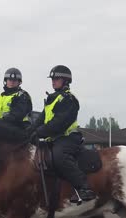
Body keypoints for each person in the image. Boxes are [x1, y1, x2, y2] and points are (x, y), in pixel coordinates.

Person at [29, 65, 96, 201]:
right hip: (53, 139)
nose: (53, 81)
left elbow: (59, 123)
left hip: (68, 138)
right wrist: (28, 132)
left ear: (65, 81)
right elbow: (41, 120)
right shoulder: (51, 99)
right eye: (52, 79)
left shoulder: (69, 99)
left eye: (56, 79)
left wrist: (39, 132)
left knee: (59, 157)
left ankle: (84, 188)